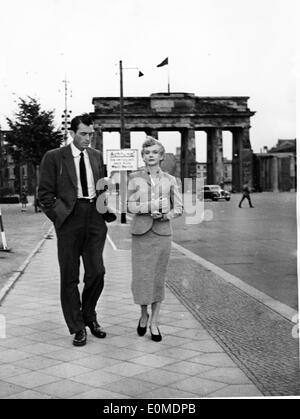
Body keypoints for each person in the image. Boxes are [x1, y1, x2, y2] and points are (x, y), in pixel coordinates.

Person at [38, 113, 115, 347]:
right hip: (69, 221)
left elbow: (101, 188)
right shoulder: (54, 157)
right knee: (69, 276)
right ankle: (77, 327)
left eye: (91, 134)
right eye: (83, 134)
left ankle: (89, 316)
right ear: (72, 133)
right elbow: (44, 195)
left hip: (94, 218)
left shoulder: (96, 156)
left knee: (97, 272)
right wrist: (60, 217)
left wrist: (104, 208)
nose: (87, 139)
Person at [127, 137, 183, 342]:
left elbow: (179, 208)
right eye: (146, 153)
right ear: (142, 156)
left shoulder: (170, 180)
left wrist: (166, 215)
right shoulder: (134, 177)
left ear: (161, 156)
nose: (150, 156)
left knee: (158, 279)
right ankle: (143, 314)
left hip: (162, 234)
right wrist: (151, 206)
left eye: (154, 152)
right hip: (141, 234)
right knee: (142, 278)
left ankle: (155, 322)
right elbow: (130, 207)